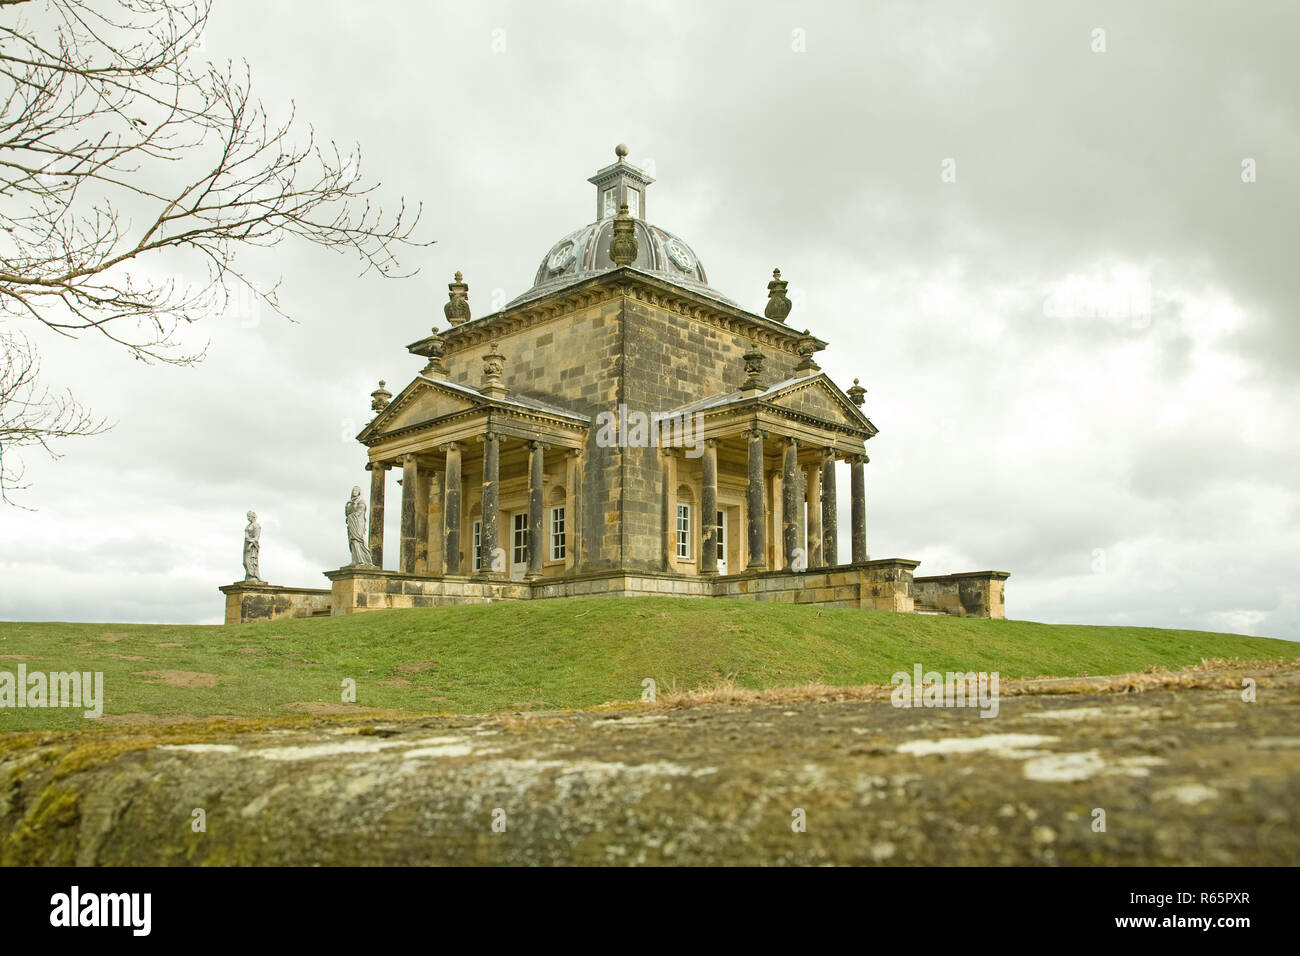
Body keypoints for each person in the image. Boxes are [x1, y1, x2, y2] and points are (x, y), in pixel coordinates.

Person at [346, 486, 373, 566]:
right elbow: (347, 513)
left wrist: (351, 514)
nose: (355, 491)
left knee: (358, 540)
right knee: (353, 541)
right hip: (352, 522)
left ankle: (363, 559)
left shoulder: (361, 501)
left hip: (358, 523)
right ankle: (355, 559)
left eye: (357, 490)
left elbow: (359, 512)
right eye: (353, 490)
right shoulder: (350, 502)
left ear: (359, 492)